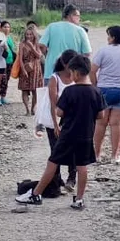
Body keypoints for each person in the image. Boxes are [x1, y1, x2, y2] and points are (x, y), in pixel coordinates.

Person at [17, 54, 107, 210]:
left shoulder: (70, 92)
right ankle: (79, 199)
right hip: (86, 135)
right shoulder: (96, 92)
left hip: (68, 133)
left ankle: (36, 194)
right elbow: (101, 115)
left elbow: (59, 112)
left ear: (76, 73)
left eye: (71, 73)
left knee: (53, 162)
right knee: (82, 166)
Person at [36, 49, 80, 192]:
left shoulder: (77, 78)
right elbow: (53, 103)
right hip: (55, 117)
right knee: (56, 149)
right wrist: (55, 124)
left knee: (73, 149)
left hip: (72, 120)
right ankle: (57, 178)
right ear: (64, 64)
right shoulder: (55, 78)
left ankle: (72, 177)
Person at [91, 26, 120, 163]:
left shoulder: (103, 50)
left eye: (108, 35)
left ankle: (97, 154)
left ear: (113, 37)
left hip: (103, 89)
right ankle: (115, 155)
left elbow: (92, 71)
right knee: (116, 124)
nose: (107, 38)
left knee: (100, 123)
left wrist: (95, 86)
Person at [41, 5, 92, 81]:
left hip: (51, 73)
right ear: (71, 16)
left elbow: (41, 46)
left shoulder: (51, 27)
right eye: (78, 16)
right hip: (73, 74)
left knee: (51, 92)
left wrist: (47, 55)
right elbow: (87, 53)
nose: (79, 19)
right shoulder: (80, 30)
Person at [17, 22, 45, 116]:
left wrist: (32, 47)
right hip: (25, 67)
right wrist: (23, 70)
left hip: (36, 68)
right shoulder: (22, 44)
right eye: (27, 34)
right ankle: (27, 109)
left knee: (35, 90)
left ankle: (33, 108)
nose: (29, 36)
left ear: (34, 35)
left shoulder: (37, 44)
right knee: (24, 89)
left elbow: (39, 56)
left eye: (30, 34)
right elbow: (20, 59)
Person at [0, 20, 17, 106]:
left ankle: (3, 97)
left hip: (10, 61)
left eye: (8, 27)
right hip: (2, 61)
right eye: (5, 27)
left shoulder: (9, 38)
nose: (7, 29)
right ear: (1, 28)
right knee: (2, 80)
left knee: (7, 80)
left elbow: (13, 49)